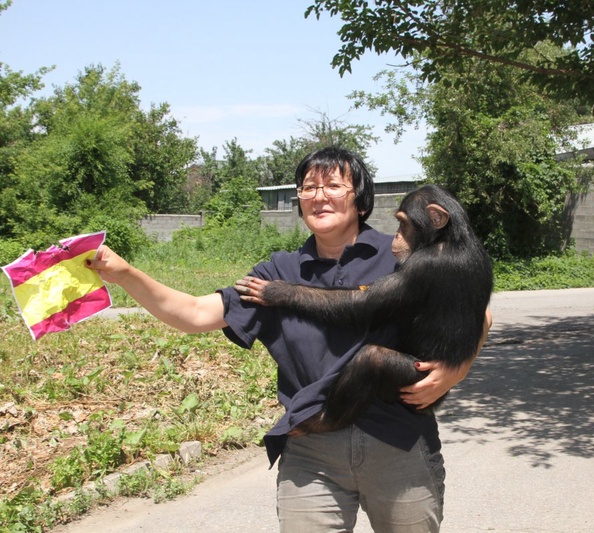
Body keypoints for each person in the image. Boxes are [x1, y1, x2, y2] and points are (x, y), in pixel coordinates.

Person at [87, 146, 491, 532]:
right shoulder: (277, 270)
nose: (319, 196)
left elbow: (478, 313)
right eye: (309, 188)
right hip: (311, 452)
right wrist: (125, 274)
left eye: (334, 186)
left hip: (399, 443)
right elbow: (194, 313)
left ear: (361, 200)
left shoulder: (400, 254)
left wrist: (455, 369)